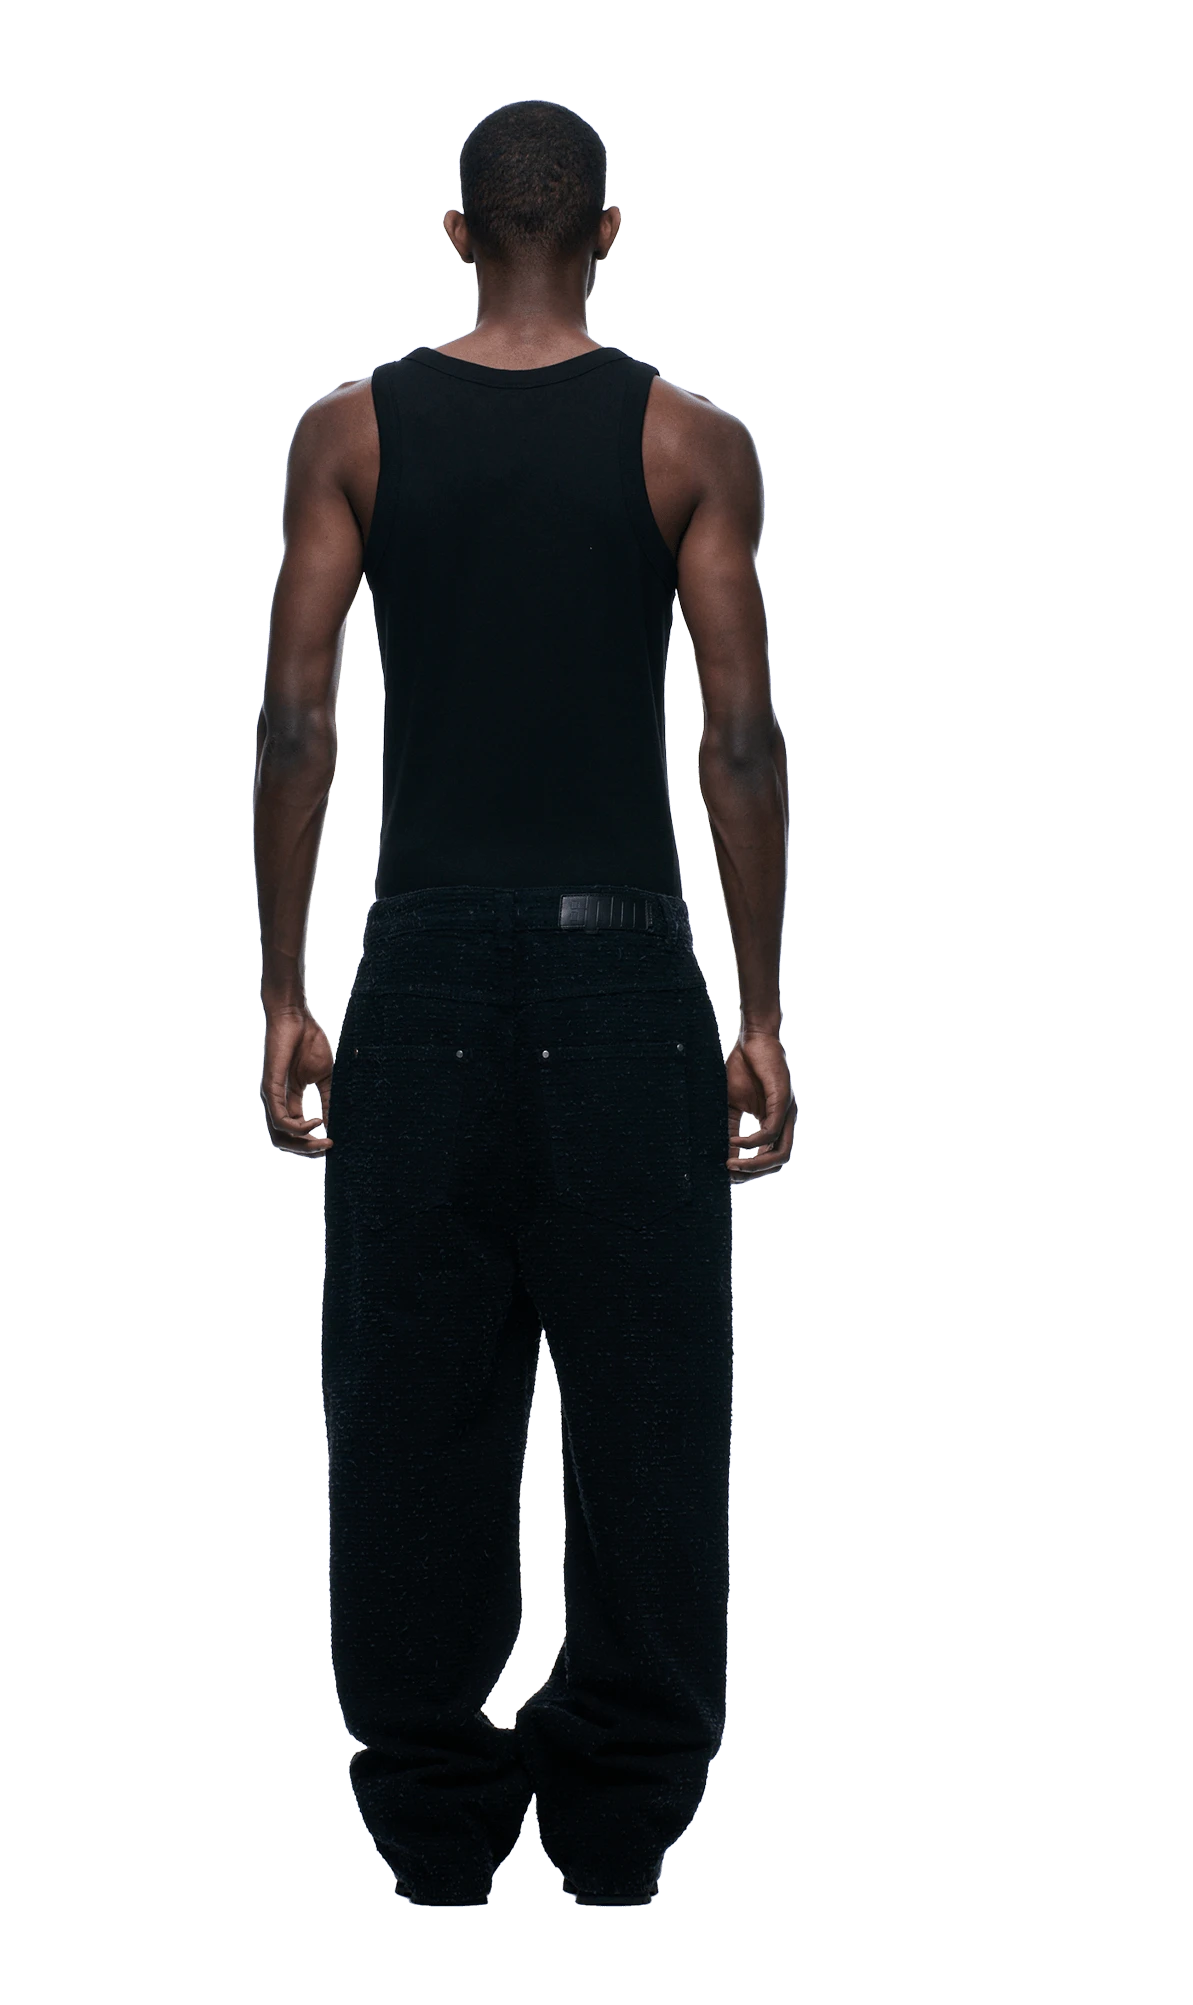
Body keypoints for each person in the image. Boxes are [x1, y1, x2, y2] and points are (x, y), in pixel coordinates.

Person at [253, 100, 795, 1911]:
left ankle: (430, 1827)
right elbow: (738, 740)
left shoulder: (352, 433)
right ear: (610, 233)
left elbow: (302, 722)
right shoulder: (689, 442)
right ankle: (624, 1829)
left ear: (457, 233)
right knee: (654, 1413)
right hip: (625, 967)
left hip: (417, 967)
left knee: (407, 1414)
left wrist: (284, 988)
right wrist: (761, 1010)